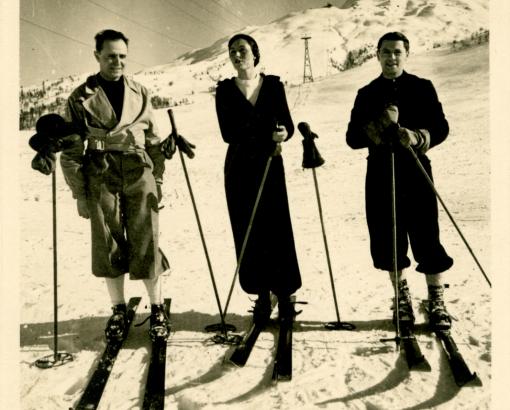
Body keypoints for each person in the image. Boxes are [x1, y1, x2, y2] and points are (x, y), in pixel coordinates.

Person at [60, 29, 176, 341]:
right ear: (96, 55)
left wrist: (159, 179)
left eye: (122, 56)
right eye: (111, 55)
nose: (117, 61)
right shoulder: (80, 97)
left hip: (139, 170)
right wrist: (80, 194)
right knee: (107, 240)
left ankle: (157, 308)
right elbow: (71, 153)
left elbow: (153, 141)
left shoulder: (140, 92)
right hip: (100, 171)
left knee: (146, 236)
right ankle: (118, 308)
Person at [345, 32, 453, 330]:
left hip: (416, 169)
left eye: (397, 52)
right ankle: (402, 298)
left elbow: (441, 127)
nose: (391, 57)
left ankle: (436, 299)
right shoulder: (366, 94)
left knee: (426, 234)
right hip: (380, 172)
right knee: (387, 239)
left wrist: (418, 136)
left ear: (406, 55)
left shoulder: (422, 87)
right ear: (377, 55)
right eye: (385, 52)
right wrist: (382, 125)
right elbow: (352, 138)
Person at [215, 33, 302, 324]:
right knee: (248, 229)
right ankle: (262, 295)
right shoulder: (225, 90)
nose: (237, 55)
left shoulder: (274, 85)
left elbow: (286, 122)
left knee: (277, 227)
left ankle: (286, 294)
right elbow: (228, 132)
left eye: (242, 49)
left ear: (255, 53)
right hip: (239, 168)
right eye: (232, 52)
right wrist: (267, 131)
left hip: (269, 163)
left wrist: (282, 134)